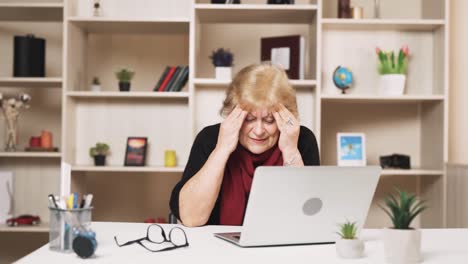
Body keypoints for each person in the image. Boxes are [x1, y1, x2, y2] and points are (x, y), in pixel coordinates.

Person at [169, 63, 320, 227]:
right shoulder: (210, 138)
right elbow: (191, 218)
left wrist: (290, 151)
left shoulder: (301, 140)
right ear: (233, 114)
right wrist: (222, 149)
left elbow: (310, 218)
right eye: (249, 119)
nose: (259, 130)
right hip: (216, 248)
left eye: (270, 120)